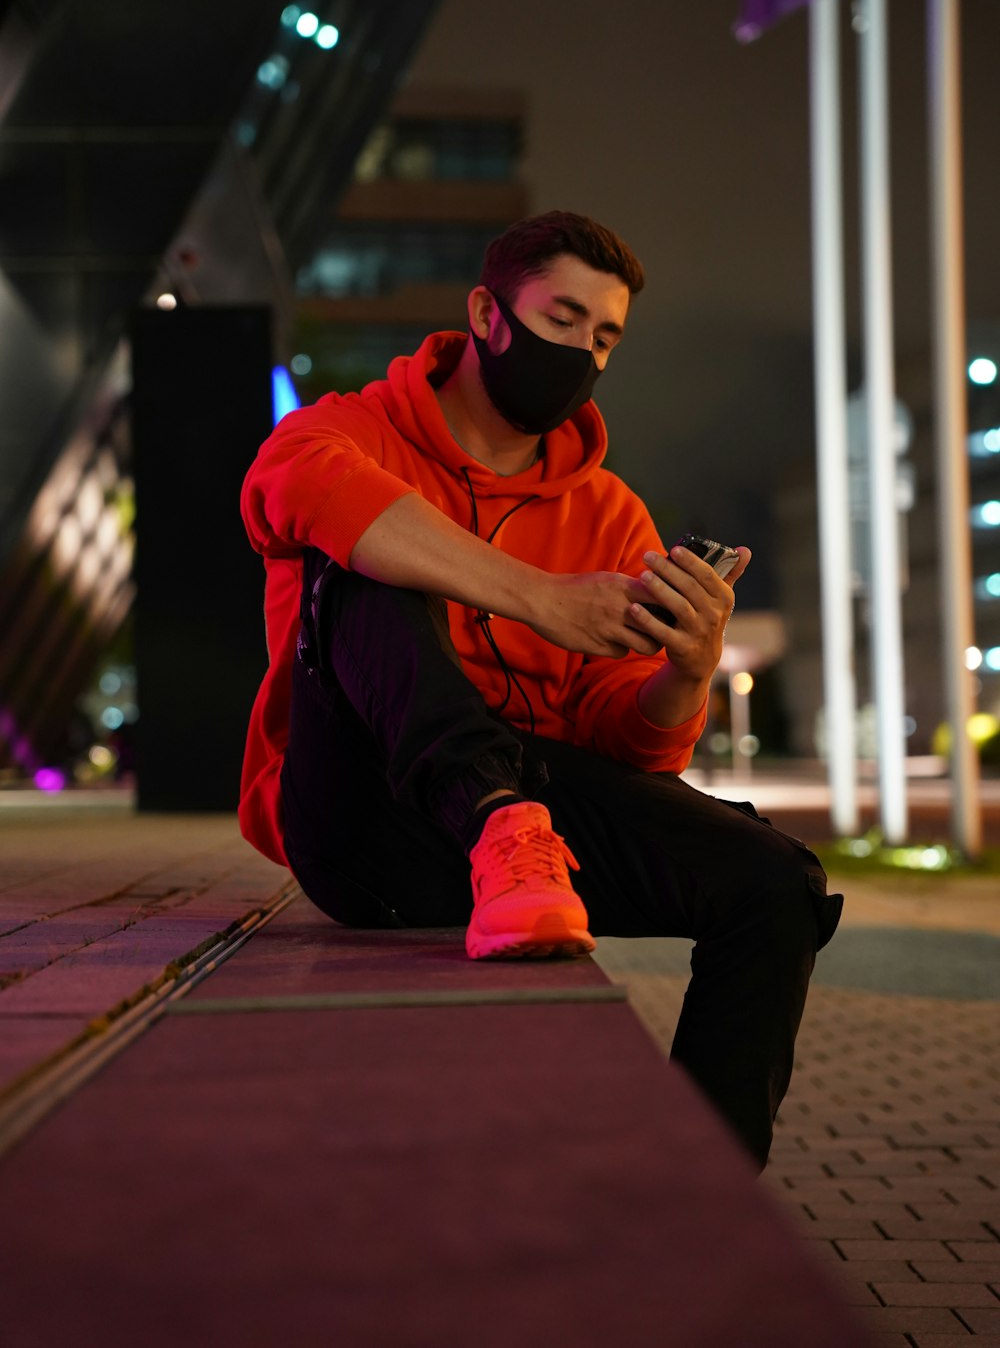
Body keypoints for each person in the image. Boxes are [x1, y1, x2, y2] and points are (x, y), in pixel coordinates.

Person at [239, 210, 842, 1170]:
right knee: (363, 558)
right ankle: (496, 816)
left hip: (539, 845)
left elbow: (623, 747)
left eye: (605, 337)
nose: (583, 352)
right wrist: (539, 599)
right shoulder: (349, 432)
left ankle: (701, 1191)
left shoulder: (608, 513)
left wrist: (684, 672)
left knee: (775, 882)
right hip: (368, 823)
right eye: (562, 320)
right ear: (487, 312)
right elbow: (292, 486)